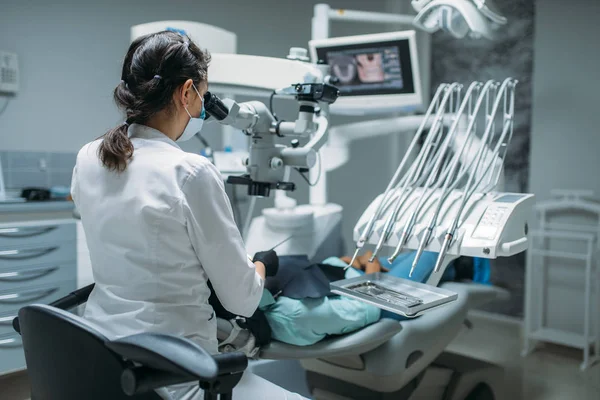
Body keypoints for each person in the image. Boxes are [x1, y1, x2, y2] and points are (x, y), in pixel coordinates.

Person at [71, 31, 305, 400]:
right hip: (176, 374)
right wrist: (259, 264)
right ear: (186, 93)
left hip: (104, 360)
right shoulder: (190, 171)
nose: (202, 107)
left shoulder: (90, 156)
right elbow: (241, 300)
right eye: (202, 96)